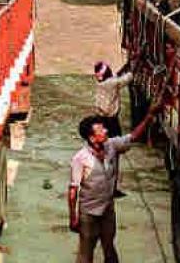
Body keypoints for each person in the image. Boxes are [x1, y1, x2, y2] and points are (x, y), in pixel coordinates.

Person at [68, 105, 159, 263]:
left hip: (107, 210)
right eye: (101, 130)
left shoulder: (112, 146)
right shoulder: (80, 159)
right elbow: (73, 191)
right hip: (88, 214)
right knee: (85, 254)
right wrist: (73, 217)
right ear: (91, 138)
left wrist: (149, 116)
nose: (106, 131)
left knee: (109, 248)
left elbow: (133, 137)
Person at [94, 60, 134, 197]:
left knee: (104, 154)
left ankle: (105, 186)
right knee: (114, 155)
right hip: (111, 123)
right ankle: (112, 188)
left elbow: (117, 76)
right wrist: (136, 64)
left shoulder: (102, 84)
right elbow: (127, 78)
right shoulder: (112, 84)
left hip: (101, 122)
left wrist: (128, 63)